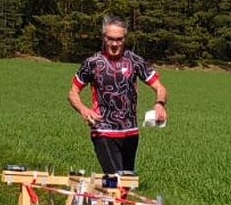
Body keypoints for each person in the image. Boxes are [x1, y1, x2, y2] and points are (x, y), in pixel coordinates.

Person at [67, 15, 168, 175]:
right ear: (103, 37)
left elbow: (160, 88)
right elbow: (72, 93)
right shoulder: (92, 63)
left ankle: (99, 199)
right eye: (110, 39)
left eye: (119, 39)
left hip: (130, 133)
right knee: (116, 181)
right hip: (103, 131)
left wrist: (159, 104)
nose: (114, 44)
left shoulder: (135, 61)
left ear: (125, 38)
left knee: (126, 184)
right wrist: (83, 110)